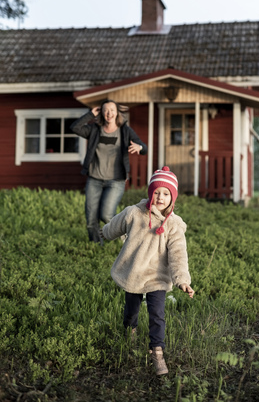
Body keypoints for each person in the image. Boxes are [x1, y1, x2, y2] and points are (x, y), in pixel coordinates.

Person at [100, 166, 194, 376]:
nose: (161, 197)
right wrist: (105, 233)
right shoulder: (134, 213)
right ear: (151, 192)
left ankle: (157, 352)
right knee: (131, 309)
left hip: (157, 277)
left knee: (157, 314)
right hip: (133, 271)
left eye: (166, 193)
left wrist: (182, 280)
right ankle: (130, 329)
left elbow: (179, 254)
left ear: (173, 197)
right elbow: (115, 225)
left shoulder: (174, 225)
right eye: (157, 192)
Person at [70, 99, 147, 243]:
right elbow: (74, 127)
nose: (109, 113)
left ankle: (126, 239)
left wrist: (140, 148)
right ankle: (96, 245)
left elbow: (144, 147)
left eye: (112, 110)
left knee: (106, 215)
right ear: (101, 113)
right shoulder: (94, 130)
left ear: (117, 112)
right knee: (91, 217)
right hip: (94, 179)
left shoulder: (124, 131)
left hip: (116, 181)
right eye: (105, 110)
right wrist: (89, 115)